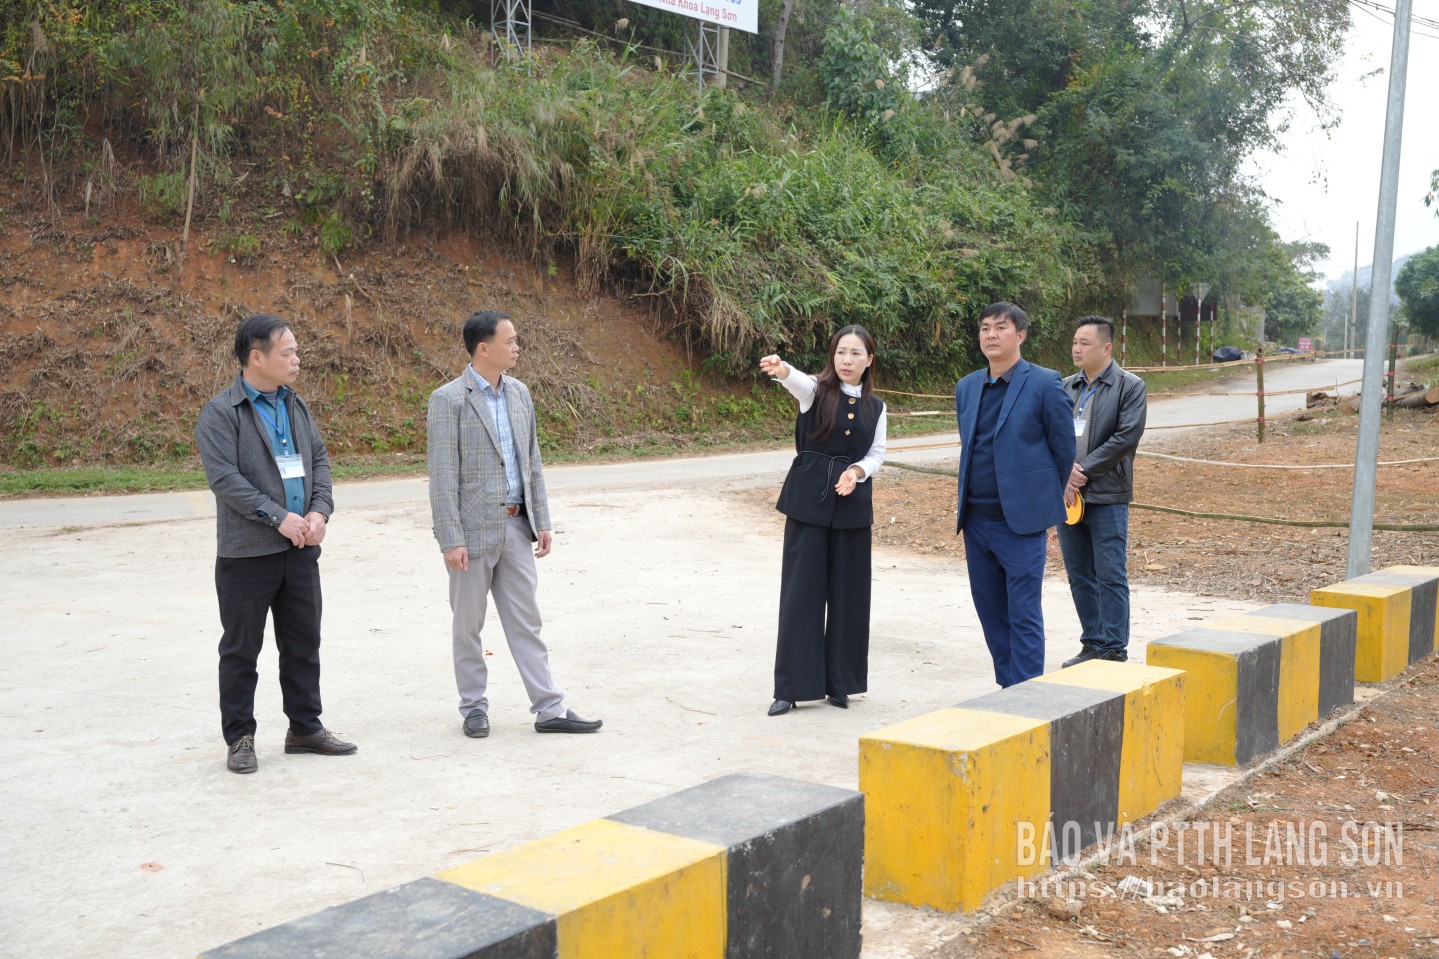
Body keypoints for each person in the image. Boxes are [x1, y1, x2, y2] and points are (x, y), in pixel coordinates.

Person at [427, 310, 601, 737]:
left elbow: (532, 463)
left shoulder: (520, 394)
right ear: (483, 348)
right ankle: (473, 707)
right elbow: (442, 476)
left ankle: (549, 709)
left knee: (527, 622)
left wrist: (542, 520)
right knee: (468, 626)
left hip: (518, 527)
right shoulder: (449, 399)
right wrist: (450, 538)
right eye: (510, 341)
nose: (517, 347)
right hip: (471, 535)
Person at [196, 313, 357, 774]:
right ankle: (240, 738)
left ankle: (305, 728)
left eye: (296, 351)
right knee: (241, 650)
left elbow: (319, 460)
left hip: (300, 549)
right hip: (247, 555)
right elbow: (225, 479)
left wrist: (319, 511)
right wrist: (278, 517)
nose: (297, 359)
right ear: (257, 357)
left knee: (304, 643)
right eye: (288, 352)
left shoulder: (294, 404)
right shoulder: (221, 413)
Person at [759, 326, 887, 716]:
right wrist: (782, 368)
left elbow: (876, 454)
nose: (847, 360)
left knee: (850, 596)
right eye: (841, 352)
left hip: (852, 506)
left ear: (869, 360)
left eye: (855, 353)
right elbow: (795, 380)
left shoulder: (877, 407)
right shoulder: (815, 390)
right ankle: (791, 688)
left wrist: (857, 473)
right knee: (801, 595)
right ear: (833, 355)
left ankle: (840, 683)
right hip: (808, 503)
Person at [954, 302, 1075, 688]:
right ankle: (1008, 689)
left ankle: (1027, 694)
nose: (991, 334)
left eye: (1000, 327)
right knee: (990, 611)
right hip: (976, 521)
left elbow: (1063, 450)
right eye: (985, 328)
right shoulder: (967, 387)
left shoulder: (1044, 382)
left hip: (1021, 523)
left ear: (1020, 335)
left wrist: (1042, 504)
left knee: (1023, 612)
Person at [1057, 315, 1147, 667]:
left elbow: (1126, 437)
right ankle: (1092, 643)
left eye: (1085, 343)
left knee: (1110, 574)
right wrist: (1063, 473)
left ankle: (1113, 649)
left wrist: (1081, 471)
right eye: (1074, 342)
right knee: (1079, 574)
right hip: (1069, 496)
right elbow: (1050, 433)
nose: (1077, 349)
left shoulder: (1129, 386)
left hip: (1107, 494)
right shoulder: (1067, 386)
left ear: (1107, 348)